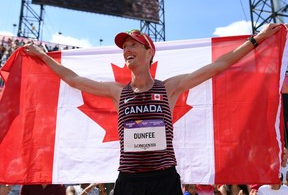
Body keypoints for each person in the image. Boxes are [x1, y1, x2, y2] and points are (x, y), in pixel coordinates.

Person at [24, 23, 284, 195]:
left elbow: (217, 66)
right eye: (125, 46)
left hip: (164, 179)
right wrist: (43, 56)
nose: (127, 49)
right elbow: (73, 80)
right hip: (128, 180)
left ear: (149, 53)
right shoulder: (117, 92)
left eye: (133, 45)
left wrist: (257, 39)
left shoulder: (169, 88)